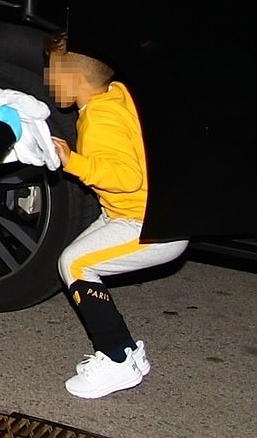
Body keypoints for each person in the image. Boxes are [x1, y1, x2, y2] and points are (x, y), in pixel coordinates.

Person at [44, 31, 189, 399]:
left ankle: (117, 357)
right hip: (138, 214)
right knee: (74, 261)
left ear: (76, 79)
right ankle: (130, 355)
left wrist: (73, 162)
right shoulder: (117, 94)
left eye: (52, 70)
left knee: (75, 265)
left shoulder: (99, 120)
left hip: (149, 226)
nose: (47, 78)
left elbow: (127, 178)